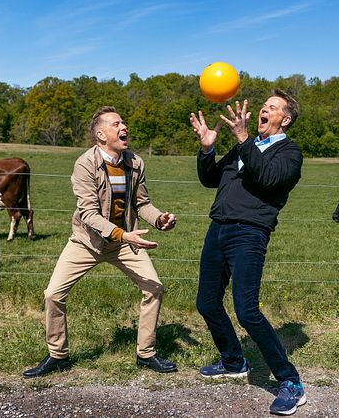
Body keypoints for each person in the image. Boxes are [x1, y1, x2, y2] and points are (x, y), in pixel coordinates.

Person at [24, 106, 178, 378]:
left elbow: (142, 203)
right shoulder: (85, 164)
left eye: (124, 123)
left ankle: (146, 354)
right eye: (117, 124)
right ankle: (58, 355)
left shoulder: (135, 163)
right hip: (88, 242)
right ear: (100, 134)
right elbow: (88, 213)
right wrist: (121, 234)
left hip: (125, 242)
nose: (124, 127)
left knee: (154, 287)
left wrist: (159, 219)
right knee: (53, 294)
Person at [189, 89, 305, 415]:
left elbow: (268, 179)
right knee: (207, 303)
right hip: (218, 229)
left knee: (247, 311)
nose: (264, 111)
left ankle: (290, 382)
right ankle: (233, 361)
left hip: (249, 233)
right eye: (263, 107)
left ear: (286, 119)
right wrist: (207, 148)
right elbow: (210, 178)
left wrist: (243, 139)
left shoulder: (290, 153)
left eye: (272, 108)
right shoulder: (244, 147)